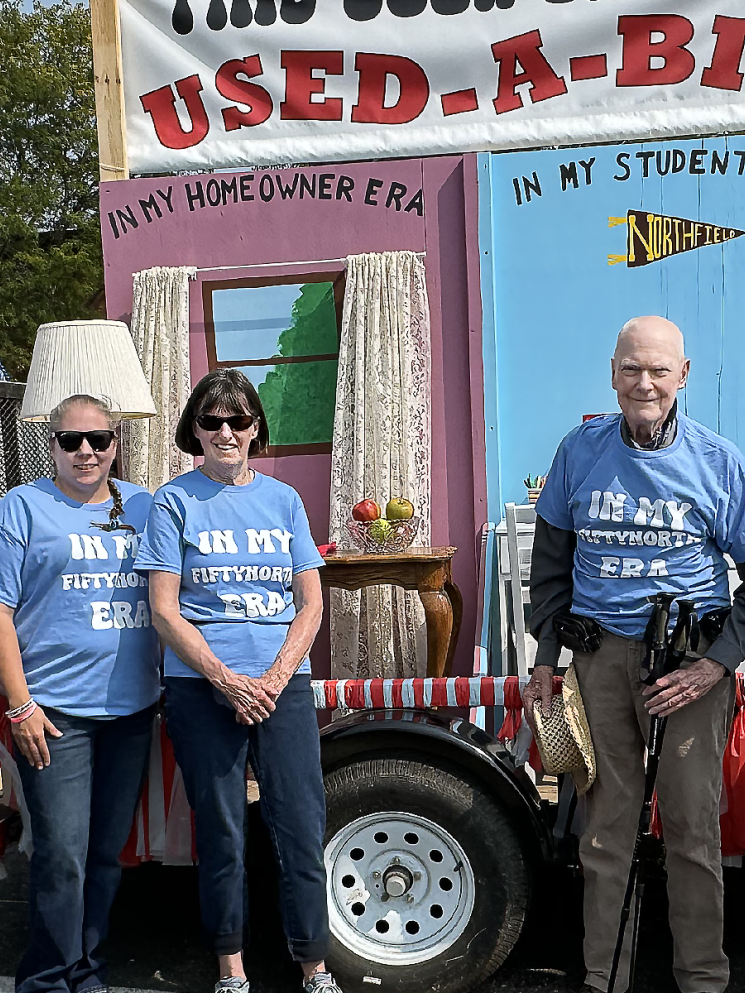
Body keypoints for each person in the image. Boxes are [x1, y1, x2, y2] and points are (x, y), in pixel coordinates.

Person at [523, 316, 745, 993]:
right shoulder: (579, 450)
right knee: (605, 827)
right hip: (600, 661)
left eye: (656, 370)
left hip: (691, 666)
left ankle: (702, 978)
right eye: (629, 369)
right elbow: (551, 562)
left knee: (688, 826)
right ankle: (604, 974)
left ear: (681, 375)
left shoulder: (718, 461)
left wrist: (715, 664)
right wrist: (545, 655)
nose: (642, 383)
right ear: (612, 372)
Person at [135, 368, 342, 993]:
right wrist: (226, 679)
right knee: (222, 831)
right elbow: (164, 610)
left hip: (282, 686)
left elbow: (310, 602)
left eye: (240, 420)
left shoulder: (284, 501)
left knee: (301, 826)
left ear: (257, 429)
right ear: (193, 430)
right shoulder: (174, 501)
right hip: (202, 687)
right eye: (212, 421)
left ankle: (315, 966)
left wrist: (275, 677)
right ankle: (232, 968)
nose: (227, 432)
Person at [0, 394, 160, 993]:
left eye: (99, 439)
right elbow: (1, 610)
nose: (86, 451)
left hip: (132, 709)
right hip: (53, 712)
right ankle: (44, 979)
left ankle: (85, 969)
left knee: (103, 855)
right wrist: (20, 705)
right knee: (60, 857)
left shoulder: (145, 504)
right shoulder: (22, 507)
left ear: (117, 443)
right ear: (53, 445)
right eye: (71, 441)